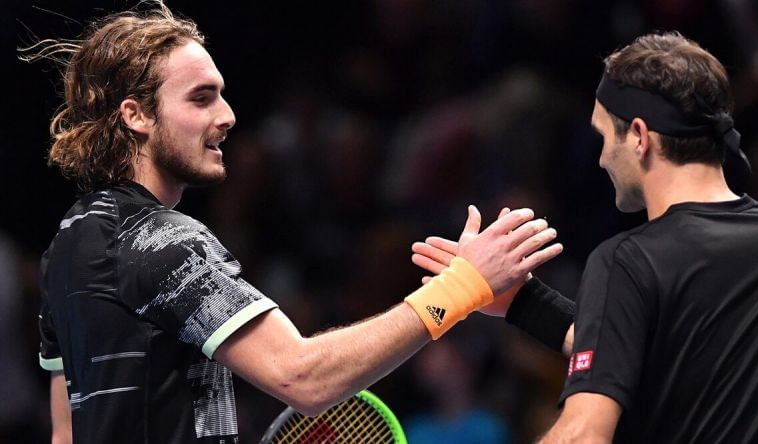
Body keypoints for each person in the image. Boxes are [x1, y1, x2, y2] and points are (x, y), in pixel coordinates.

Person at [24, 2, 564, 443]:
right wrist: (463, 287)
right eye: (201, 98)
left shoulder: (66, 247)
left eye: (223, 94)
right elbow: (301, 376)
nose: (228, 115)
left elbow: (66, 433)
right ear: (135, 115)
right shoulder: (163, 240)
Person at [413, 31, 758, 442]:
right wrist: (525, 305)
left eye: (603, 137)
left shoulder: (627, 260)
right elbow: (674, 357)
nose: (600, 159)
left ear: (638, 135)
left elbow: (583, 434)